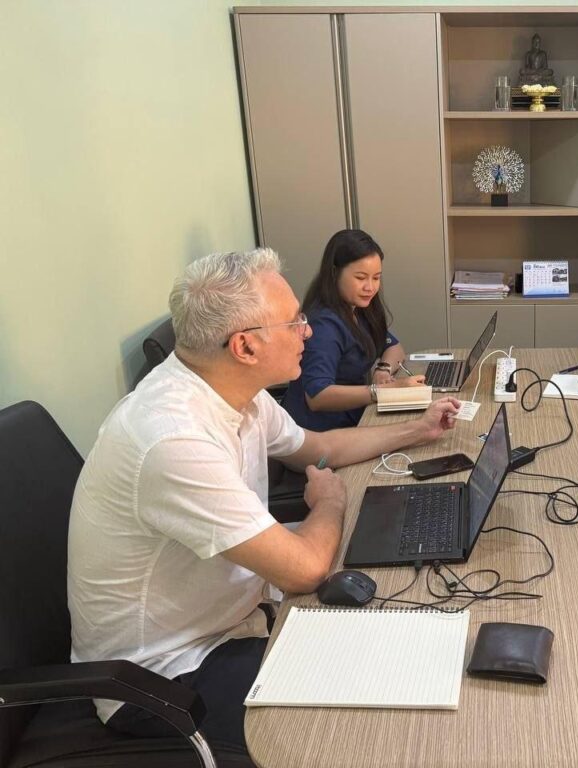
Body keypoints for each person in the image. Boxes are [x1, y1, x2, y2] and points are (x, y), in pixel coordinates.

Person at [67, 247, 459, 755]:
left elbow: (319, 448)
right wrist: (329, 502)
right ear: (245, 346)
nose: (308, 331)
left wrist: (418, 430)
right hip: (165, 676)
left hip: (233, 619)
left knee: (404, 645)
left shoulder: (236, 391)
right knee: (369, 726)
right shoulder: (172, 438)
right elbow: (304, 570)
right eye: (295, 322)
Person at [282, 229, 424, 431]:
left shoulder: (360, 308)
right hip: (320, 432)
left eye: (376, 278)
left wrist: (382, 370)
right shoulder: (323, 325)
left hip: (355, 417)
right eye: (361, 277)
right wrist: (383, 391)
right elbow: (317, 396)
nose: (370, 287)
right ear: (335, 273)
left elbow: (394, 348)